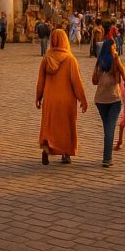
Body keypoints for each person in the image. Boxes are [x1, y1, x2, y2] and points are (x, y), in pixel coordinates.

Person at [35, 29, 88, 165]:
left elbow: (40, 80)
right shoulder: (70, 59)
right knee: (66, 127)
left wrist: (38, 97)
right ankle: (66, 154)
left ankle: (46, 148)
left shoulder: (47, 58)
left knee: (49, 125)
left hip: (50, 99)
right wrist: (82, 99)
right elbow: (76, 82)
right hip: (67, 100)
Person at [92, 39, 125, 167]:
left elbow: (94, 81)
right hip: (114, 99)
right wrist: (118, 62)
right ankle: (107, 159)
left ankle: (106, 156)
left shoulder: (99, 61)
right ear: (110, 49)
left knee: (107, 128)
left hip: (100, 99)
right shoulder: (115, 60)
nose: (116, 49)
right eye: (114, 47)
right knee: (110, 129)